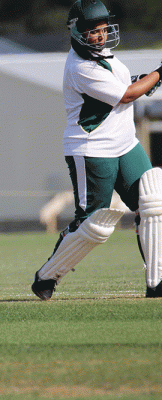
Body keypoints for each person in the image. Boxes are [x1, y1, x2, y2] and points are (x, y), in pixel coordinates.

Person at [31, 0, 162, 300]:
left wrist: (144, 80)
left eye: (103, 28)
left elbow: (124, 86)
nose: (101, 35)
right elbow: (126, 96)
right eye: (93, 30)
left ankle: (157, 282)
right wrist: (158, 74)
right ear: (77, 32)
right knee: (94, 224)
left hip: (125, 143)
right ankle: (46, 276)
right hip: (92, 149)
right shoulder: (80, 67)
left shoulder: (106, 57)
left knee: (153, 201)